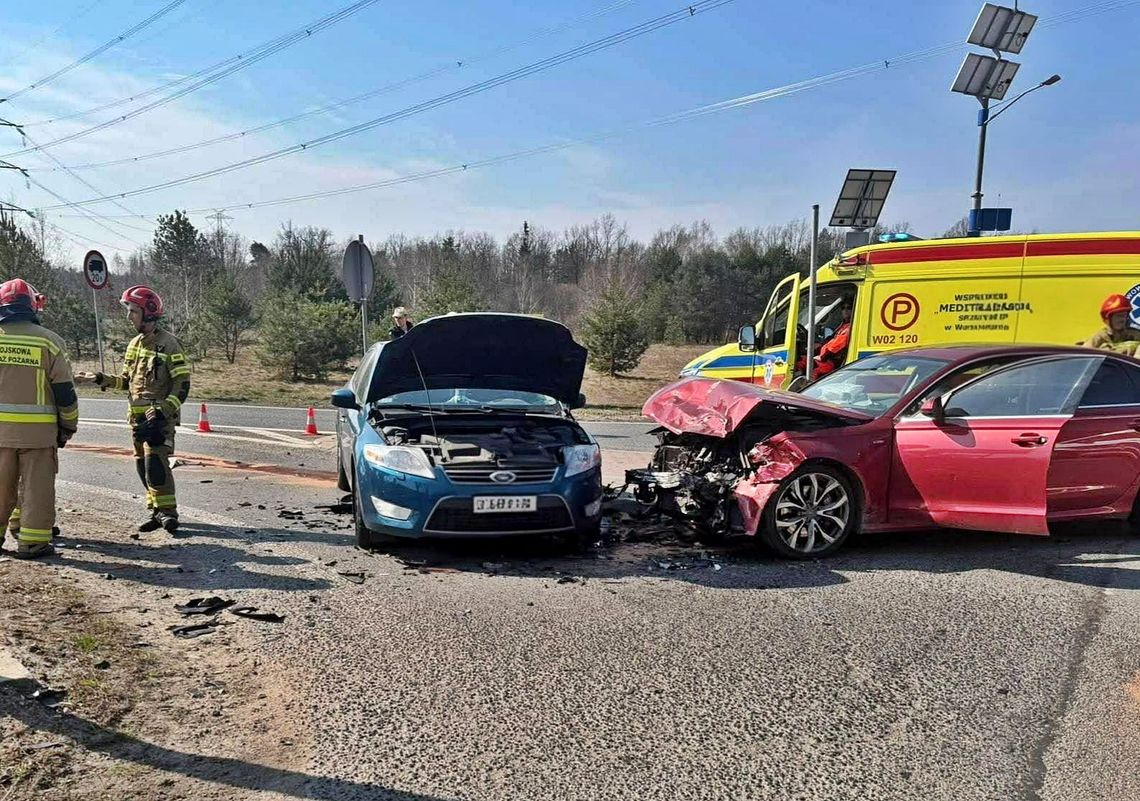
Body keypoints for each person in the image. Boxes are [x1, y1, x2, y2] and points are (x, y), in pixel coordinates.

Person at [75, 286, 189, 533]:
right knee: (142, 465)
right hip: (136, 419)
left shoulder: (169, 344)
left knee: (156, 465)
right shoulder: (134, 344)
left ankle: (169, 513)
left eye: (133, 311)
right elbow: (127, 381)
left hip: (159, 419)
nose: (129, 317)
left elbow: (183, 384)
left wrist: (163, 410)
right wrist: (98, 378)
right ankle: (156, 510)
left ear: (148, 313)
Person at [0, 279, 78, 559]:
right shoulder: (50, 341)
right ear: (32, 305)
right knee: (37, 490)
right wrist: (68, 425)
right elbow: (65, 393)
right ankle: (33, 542)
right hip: (38, 436)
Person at [813, 300, 853, 377]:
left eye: (849, 308)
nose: (845, 310)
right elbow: (831, 339)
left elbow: (835, 347)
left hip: (834, 361)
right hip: (829, 357)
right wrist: (820, 345)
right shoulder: (844, 324)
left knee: (809, 366)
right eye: (843, 308)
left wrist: (822, 357)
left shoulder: (849, 328)